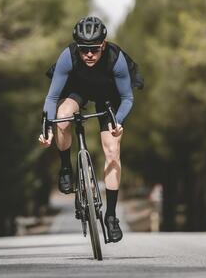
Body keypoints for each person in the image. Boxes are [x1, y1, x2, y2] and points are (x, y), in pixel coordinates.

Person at [38, 16, 140, 243]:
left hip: (109, 95)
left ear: (103, 45)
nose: (89, 55)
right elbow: (52, 97)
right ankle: (66, 168)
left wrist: (118, 121)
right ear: (77, 47)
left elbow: (127, 98)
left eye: (94, 49)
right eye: (84, 50)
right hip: (78, 90)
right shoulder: (68, 56)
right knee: (62, 117)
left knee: (112, 151)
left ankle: (111, 217)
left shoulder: (116, 58)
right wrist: (48, 127)